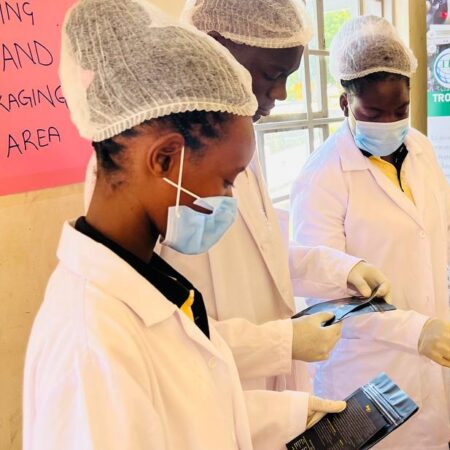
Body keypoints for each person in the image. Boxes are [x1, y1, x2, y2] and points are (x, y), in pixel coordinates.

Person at [23, 1, 344, 449]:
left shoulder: (149, 283)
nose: (229, 200)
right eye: (226, 181)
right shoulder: (91, 345)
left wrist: (290, 414)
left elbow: (186, 413)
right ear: (164, 160)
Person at [83, 0, 392, 395]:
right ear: (215, 46)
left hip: (258, 399)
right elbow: (155, 337)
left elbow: (264, 255)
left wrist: (339, 270)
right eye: (272, 74)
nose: (281, 92)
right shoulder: (140, 166)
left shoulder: (233, 140)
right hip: (210, 393)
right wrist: (278, 343)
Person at [290, 16, 450, 449]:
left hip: (428, 371)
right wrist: (415, 331)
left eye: (400, 110)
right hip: (365, 374)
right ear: (345, 102)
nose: (389, 122)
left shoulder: (421, 149)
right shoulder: (322, 177)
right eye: (373, 113)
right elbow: (326, 295)